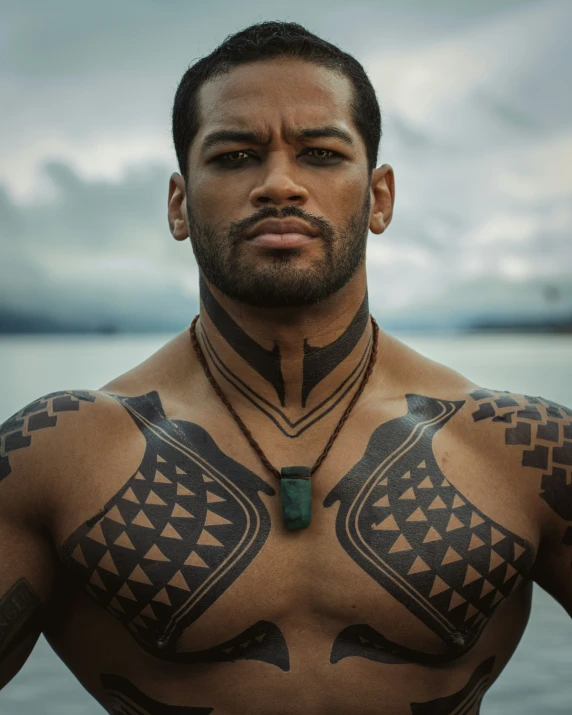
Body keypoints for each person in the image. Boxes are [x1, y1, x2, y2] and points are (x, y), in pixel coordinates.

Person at [0, 20, 570, 715]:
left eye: (321, 154)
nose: (278, 184)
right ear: (179, 204)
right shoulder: (57, 455)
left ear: (380, 196)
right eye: (236, 155)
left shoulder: (523, 448)